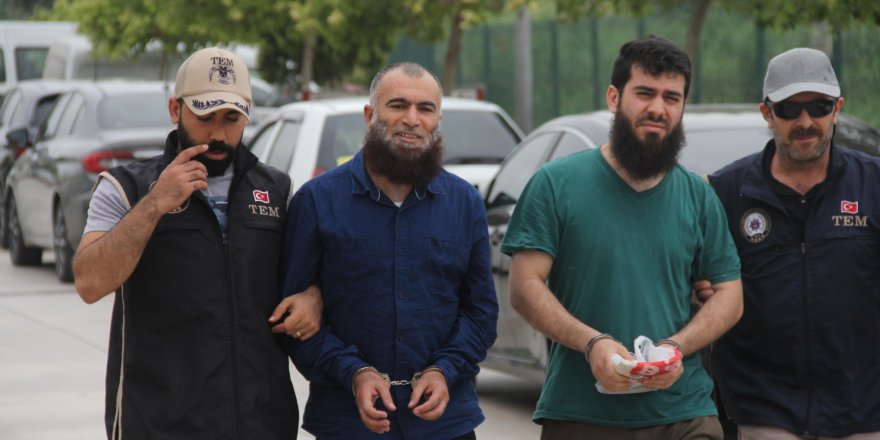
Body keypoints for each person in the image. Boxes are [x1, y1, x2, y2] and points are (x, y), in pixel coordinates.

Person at [501, 35, 743, 439]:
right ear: (614, 98)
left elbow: (730, 295)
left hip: (684, 412)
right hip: (581, 412)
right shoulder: (555, 184)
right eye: (645, 93)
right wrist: (592, 342)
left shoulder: (698, 196)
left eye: (671, 97)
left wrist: (677, 347)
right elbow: (524, 287)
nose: (658, 109)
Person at [71, 47, 320, 439]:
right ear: (175, 109)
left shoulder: (277, 190)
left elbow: (308, 277)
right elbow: (89, 282)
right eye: (205, 116)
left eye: (232, 118)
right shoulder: (126, 187)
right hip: (158, 425)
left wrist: (313, 297)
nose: (218, 134)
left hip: (261, 423)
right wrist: (155, 203)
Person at [272, 62, 498, 439]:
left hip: (445, 425)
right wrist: (353, 372)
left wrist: (445, 370)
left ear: (438, 120)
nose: (412, 119)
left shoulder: (465, 204)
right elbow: (292, 320)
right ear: (369, 115)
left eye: (425, 108)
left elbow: (481, 313)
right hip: (347, 424)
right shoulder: (316, 201)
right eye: (398, 105)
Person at [698, 47, 880, 439]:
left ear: (837, 109)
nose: (805, 121)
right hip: (764, 409)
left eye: (819, 106)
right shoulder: (725, 193)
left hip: (863, 410)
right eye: (788, 109)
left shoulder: (873, 184)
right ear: (766, 113)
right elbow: (696, 285)